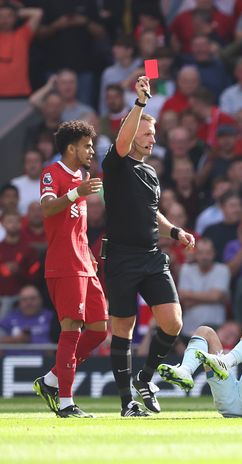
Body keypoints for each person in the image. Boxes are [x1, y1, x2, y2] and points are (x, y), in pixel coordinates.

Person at [103, 76, 196, 417]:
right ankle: (127, 402)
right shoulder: (115, 165)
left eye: (154, 133)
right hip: (122, 257)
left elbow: (151, 211)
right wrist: (140, 103)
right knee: (123, 329)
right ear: (131, 134)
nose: (152, 137)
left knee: (172, 322)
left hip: (152, 257)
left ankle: (145, 378)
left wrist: (175, 232)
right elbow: (122, 142)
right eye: (146, 132)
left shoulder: (151, 172)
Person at [31, 120, 108, 418]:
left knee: (100, 330)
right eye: (87, 145)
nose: (92, 150)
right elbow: (47, 208)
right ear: (71, 147)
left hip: (85, 263)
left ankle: (51, 380)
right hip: (64, 264)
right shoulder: (52, 173)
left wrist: (90, 256)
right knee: (72, 329)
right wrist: (78, 192)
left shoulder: (83, 175)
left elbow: (78, 226)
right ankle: (66, 403)